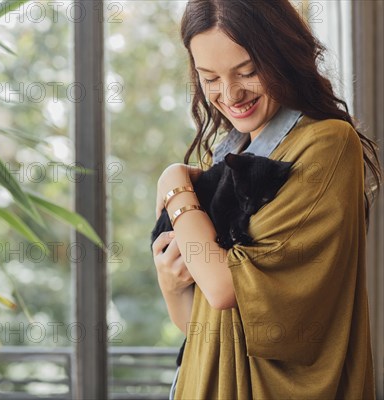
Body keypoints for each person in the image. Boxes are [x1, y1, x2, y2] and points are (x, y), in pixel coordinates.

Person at [151, 1, 382, 398]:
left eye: (248, 72)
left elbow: (224, 288)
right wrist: (172, 287)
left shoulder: (325, 143)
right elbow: (205, 328)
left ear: (282, 55)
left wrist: (173, 183)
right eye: (210, 79)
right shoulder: (228, 152)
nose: (231, 94)